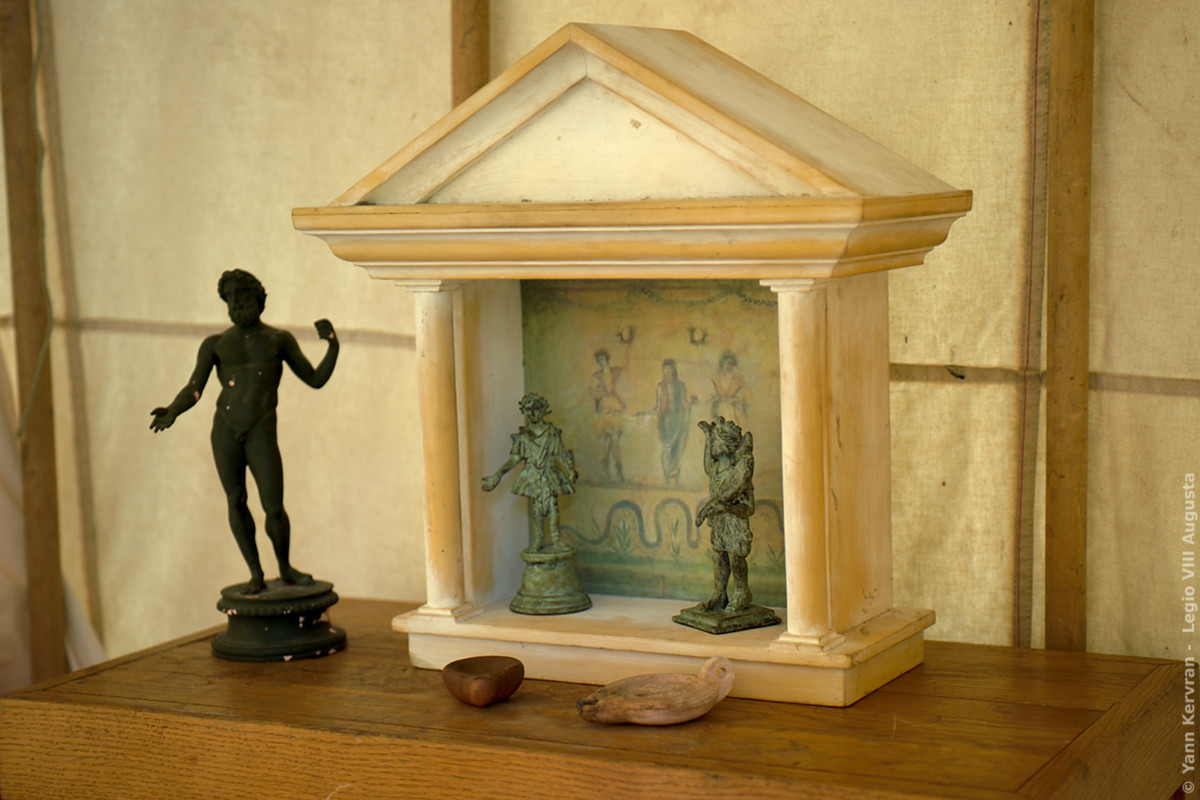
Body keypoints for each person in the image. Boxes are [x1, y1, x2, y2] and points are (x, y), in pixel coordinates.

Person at [150, 269, 338, 595]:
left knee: (273, 506)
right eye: (230, 298)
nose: (236, 302)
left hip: (260, 429)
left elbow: (315, 379)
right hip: (225, 430)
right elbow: (194, 387)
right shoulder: (216, 344)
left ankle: (285, 567)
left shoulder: (278, 340)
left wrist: (333, 346)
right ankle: (255, 573)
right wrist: (173, 410)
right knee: (235, 500)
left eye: (242, 295)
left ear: (259, 297)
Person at [482, 392, 578, 552]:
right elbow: (515, 458)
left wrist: (570, 471)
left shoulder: (551, 432)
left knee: (553, 506)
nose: (532, 414)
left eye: (535, 410)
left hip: (549, 473)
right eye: (528, 411)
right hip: (533, 475)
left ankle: (556, 539)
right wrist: (498, 475)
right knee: (536, 508)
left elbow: (560, 454)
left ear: (542, 410)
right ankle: (538, 539)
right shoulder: (524, 436)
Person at [695, 417, 755, 613]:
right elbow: (707, 465)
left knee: (736, 556)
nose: (713, 445)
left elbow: (746, 506)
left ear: (727, 444)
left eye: (715, 441)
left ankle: (742, 592)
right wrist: (707, 436)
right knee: (719, 555)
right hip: (720, 521)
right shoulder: (716, 469)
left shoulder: (738, 471)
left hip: (735, 521)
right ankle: (719, 594)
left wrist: (722, 508)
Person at [653, 359, 696, 488]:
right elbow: (659, 405)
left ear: (674, 370)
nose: (667, 372)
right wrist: (657, 412)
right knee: (667, 448)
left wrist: (691, 403)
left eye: (669, 369)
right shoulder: (660, 386)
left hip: (678, 419)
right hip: (666, 420)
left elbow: (684, 402)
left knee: (677, 448)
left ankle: (675, 478)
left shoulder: (680, 386)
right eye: (665, 369)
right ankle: (667, 477)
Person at [587, 348, 626, 482]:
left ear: (607, 359)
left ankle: (617, 470)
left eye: (603, 359)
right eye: (599, 360)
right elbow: (592, 392)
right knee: (609, 440)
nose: (601, 362)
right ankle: (609, 469)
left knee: (613, 440)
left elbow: (626, 367)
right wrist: (603, 393)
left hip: (615, 407)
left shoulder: (615, 372)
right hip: (605, 408)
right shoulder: (597, 376)